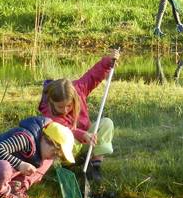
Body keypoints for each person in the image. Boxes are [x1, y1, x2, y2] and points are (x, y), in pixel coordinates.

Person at [37, 50, 120, 182]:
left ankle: (95, 165)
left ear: (74, 98)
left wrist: (107, 62)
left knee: (106, 123)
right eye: (60, 107)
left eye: (68, 106)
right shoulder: (48, 112)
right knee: (65, 138)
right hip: (67, 147)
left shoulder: (79, 89)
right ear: (52, 101)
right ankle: (68, 166)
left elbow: (93, 76)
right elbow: (64, 130)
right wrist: (83, 135)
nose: (64, 110)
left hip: (85, 140)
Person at [0, 117, 75, 198]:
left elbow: (44, 158)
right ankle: (0, 195)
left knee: (46, 162)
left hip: (7, 174)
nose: (53, 157)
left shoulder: (41, 149)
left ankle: (16, 188)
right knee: (3, 167)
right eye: (54, 153)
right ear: (47, 140)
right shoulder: (24, 139)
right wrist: (20, 164)